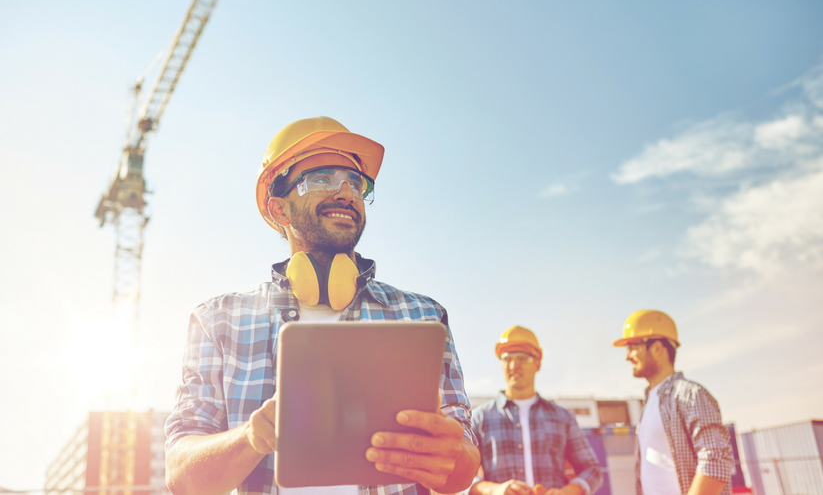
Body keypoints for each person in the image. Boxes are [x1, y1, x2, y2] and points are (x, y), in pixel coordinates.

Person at [164, 116, 480, 495]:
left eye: (356, 183)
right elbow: (182, 476)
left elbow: (463, 463)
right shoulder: (217, 321)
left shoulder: (424, 316)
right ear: (279, 210)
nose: (346, 192)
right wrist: (252, 437)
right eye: (321, 179)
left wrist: (452, 456)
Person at [613, 309, 734, 495]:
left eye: (632, 346)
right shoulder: (649, 403)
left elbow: (715, 459)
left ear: (657, 348)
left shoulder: (690, 394)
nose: (627, 356)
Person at [470, 326, 603, 495]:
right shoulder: (480, 418)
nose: (513, 365)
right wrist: (493, 490)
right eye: (506, 358)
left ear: (537, 363)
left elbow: (592, 469)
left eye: (521, 358)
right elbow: (460, 476)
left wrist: (568, 491)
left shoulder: (563, 418)